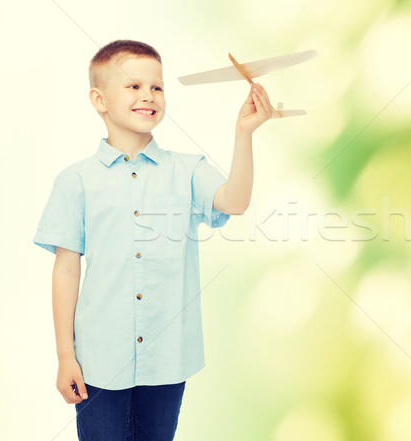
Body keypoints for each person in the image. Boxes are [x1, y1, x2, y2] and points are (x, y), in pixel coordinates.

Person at [32, 39, 273, 440]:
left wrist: (244, 132)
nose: (149, 96)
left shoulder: (188, 169)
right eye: (133, 86)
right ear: (99, 99)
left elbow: (235, 201)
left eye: (157, 87)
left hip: (167, 360)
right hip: (99, 360)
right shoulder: (75, 181)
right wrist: (65, 356)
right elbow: (67, 269)